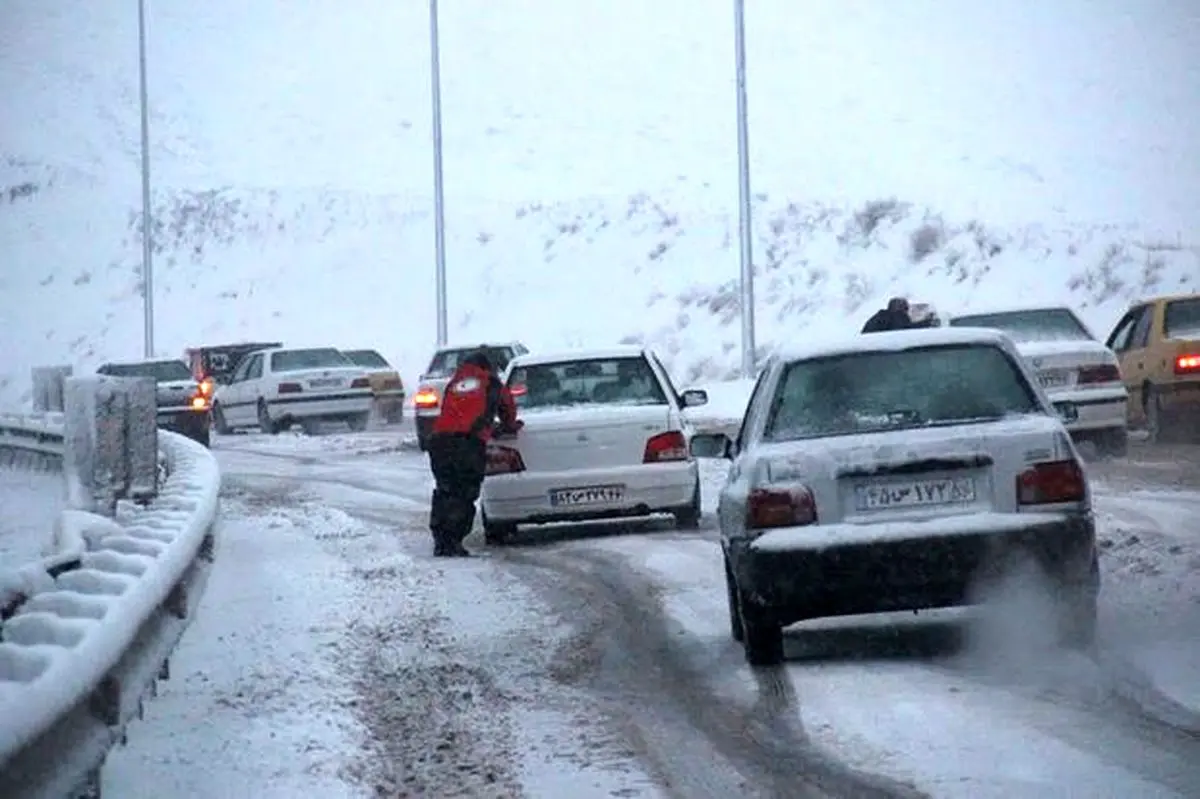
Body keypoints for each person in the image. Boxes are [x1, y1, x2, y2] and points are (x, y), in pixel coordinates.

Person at [427, 348, 522, 557]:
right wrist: (507, 426)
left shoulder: (455, 383)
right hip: (467, 442)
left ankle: (441, 539)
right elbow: (507, 410)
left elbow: (455, 412)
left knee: (445, 490)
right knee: (464, 492)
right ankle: (454, 541)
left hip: (440, 441)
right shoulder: (491, 382)